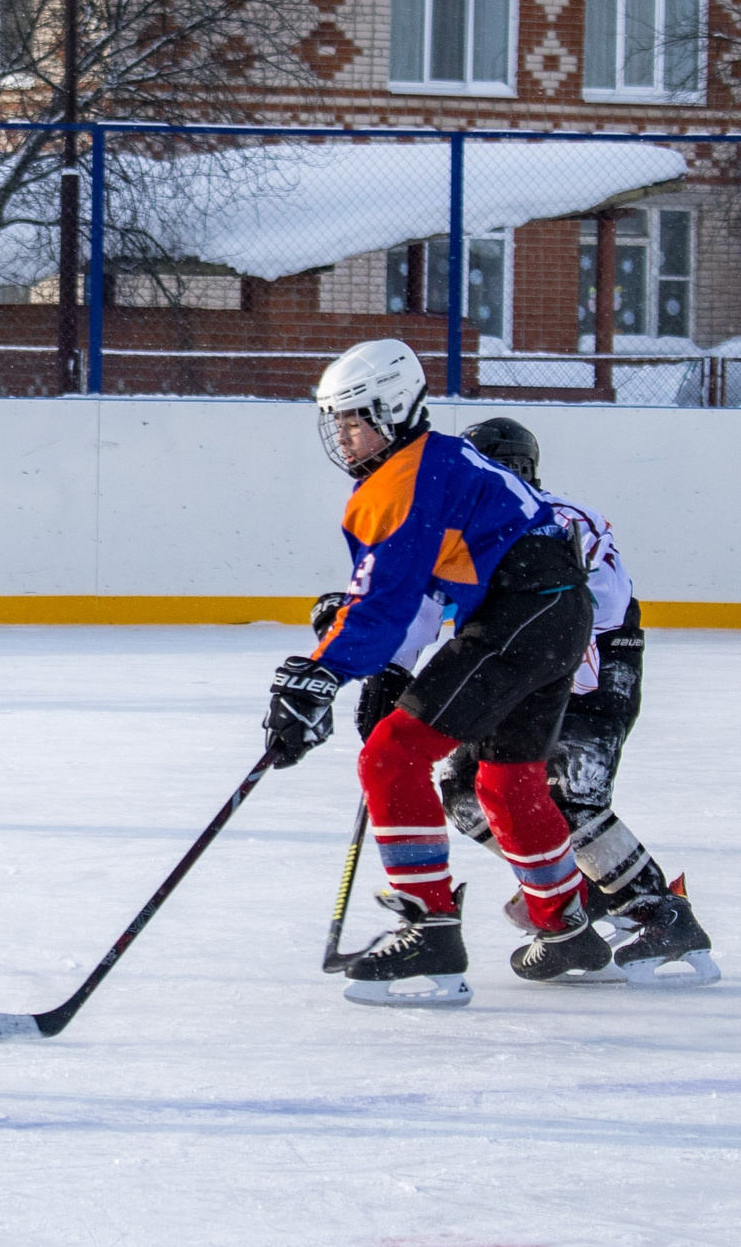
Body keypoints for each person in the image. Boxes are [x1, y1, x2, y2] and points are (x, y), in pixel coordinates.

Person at [261, 338, 610, 1007]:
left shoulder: (407, 479)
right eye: (335, 420)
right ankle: (564, 924)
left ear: (392, 410)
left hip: (520, 615)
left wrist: (319, 673)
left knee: (391, 759)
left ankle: (429, 928)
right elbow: (413, 595)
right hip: (555, 616)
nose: (342, 434)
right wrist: (383, 671)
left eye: (353, 417)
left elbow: (385, 601)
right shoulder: (436, 461)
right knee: (508, 782)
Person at [417, 418, 718, 985]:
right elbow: (429, 609)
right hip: (517, 670)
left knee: (567, 793)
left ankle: (660, 913)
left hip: (593, 666)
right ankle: (568, 894)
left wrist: (524, 638)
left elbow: (601, 607)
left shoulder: (564, 520)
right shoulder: (464, 533)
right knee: (465, 795)